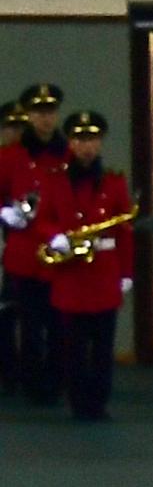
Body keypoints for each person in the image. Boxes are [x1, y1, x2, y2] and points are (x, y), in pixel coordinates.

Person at [37, 110, 135, 422]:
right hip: (72, 274)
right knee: (74, 346)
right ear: (71, 142)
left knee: (103, 346)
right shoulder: (55, 180)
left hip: (104, 271)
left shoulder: (114, 181)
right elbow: (42, 219)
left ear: (101, 142)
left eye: (92, 139)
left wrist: (127, 272)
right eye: (80, 139)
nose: (86, 146)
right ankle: (78, 400)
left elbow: (124, 231)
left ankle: (99, 401)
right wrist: (55, 237)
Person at [0, 82, 61, 406]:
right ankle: (33, 382)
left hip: (60, 253)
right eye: (38, 113)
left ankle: (57, 379)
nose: (44, 119)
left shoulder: (67, 153)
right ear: (28, 115)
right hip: (24, 253)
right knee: (31, 323)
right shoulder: (10, 156)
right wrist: (6, 214)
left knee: (59, 322)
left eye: (49, 112)